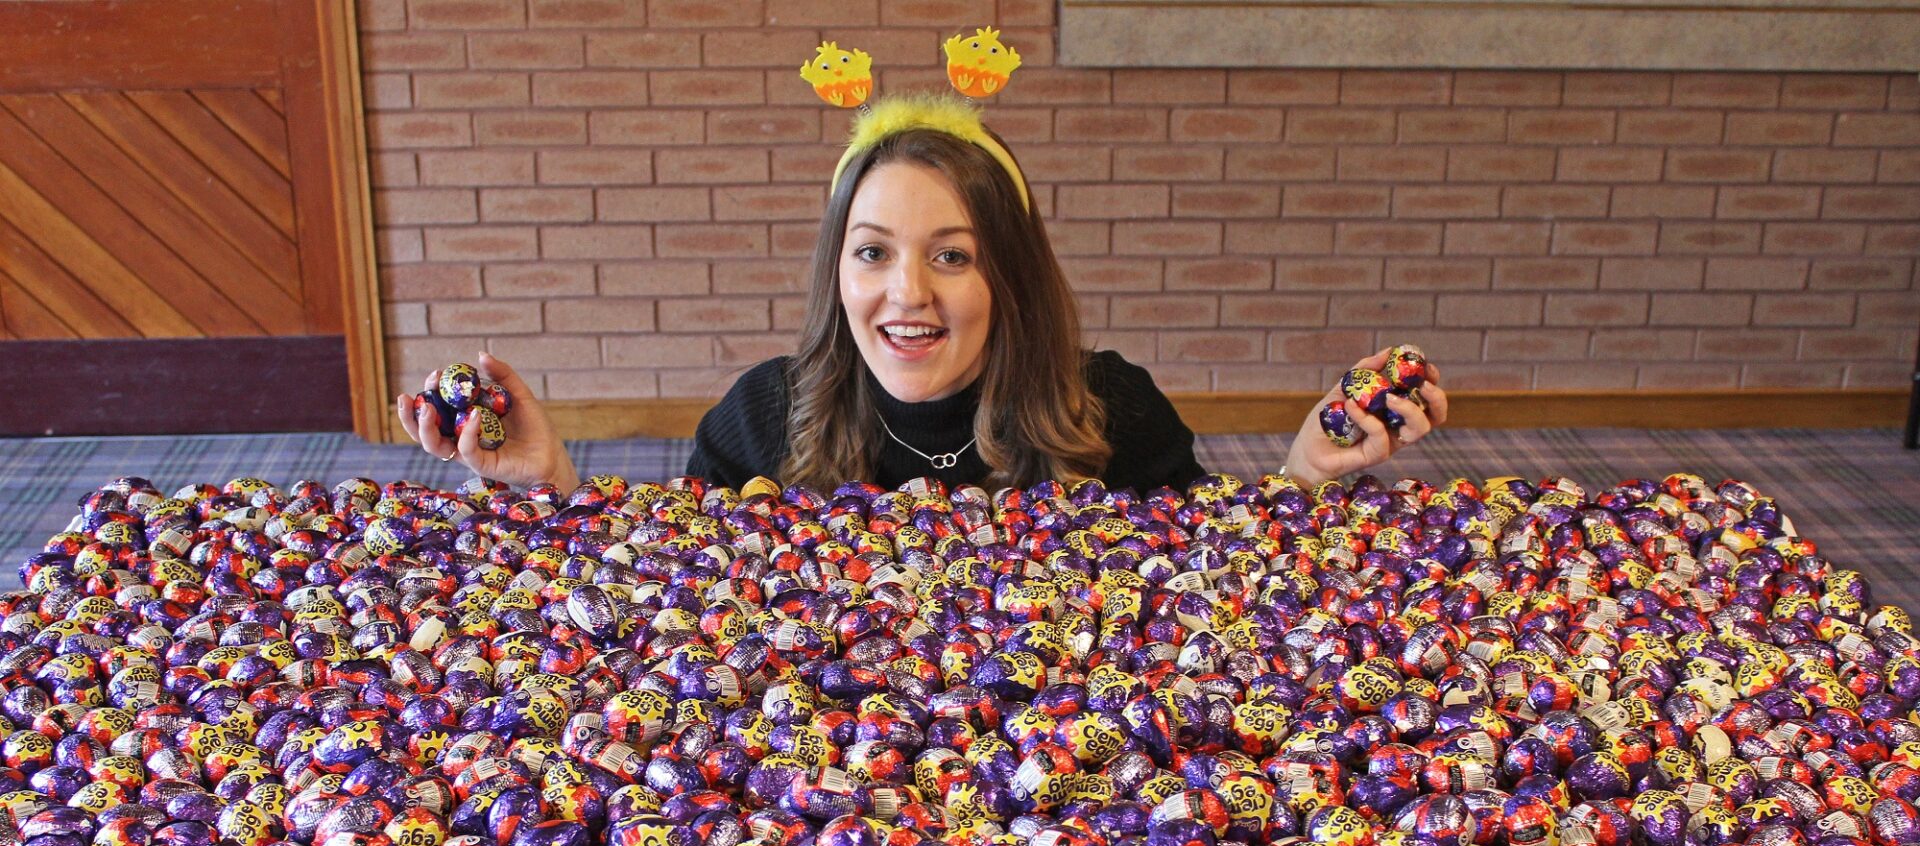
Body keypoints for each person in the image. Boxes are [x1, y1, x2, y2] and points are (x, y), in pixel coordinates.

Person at [398, 95, 1445, 496]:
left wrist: (1306, 469)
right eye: (872, 254)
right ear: (837, 271)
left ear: (1012, 275)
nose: (906, 294)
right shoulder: (764, 417)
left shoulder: (1108, 410)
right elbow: (673, 616)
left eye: (952, 255)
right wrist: (547, 484)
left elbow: (1217, 594)